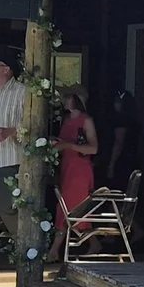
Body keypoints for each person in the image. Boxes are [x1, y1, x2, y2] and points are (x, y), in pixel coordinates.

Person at [0, 54, 28, 217]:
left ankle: (21, 241)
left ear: (6, 69)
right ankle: (0, 241)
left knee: (6, 207)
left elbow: (34, 125)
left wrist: (9, 131)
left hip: (12, 160)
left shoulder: (23, 92)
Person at [56, 86, 99, 221]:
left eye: (69, 97)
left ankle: (56, 242)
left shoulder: (86, 120)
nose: (66, 100)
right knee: (67, 206)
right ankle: (93, 241)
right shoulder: (66, 119)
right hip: (66, 167)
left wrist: (69, 145)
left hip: (79, 170)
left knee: (73, 207)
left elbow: (94, 148)